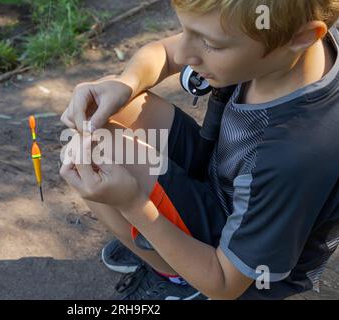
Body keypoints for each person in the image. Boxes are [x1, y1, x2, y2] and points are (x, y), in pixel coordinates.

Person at [59, 0, 339, 300]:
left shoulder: (293, 156)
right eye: (186, 31)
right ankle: (165, 246)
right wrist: (124, 84)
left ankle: (179, 281)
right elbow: (165, 53)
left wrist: (132, 205)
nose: (183, 53)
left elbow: (225, 285)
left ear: (301, 37)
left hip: (244, 275)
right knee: (104, 111)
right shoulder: (282, 44)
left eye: (209, 43)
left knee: (96, 156)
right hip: (222, 183)